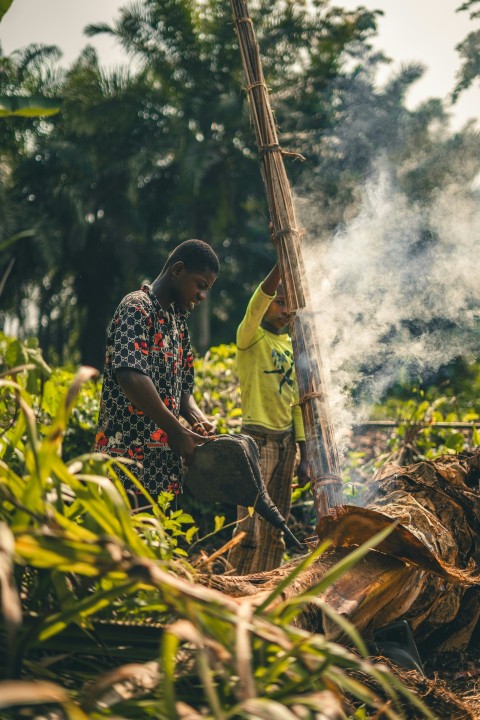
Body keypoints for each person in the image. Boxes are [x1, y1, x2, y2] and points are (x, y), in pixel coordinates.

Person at [94, 239, 219, 501]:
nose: (202, 296)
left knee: (160, 541)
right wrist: (177, 431)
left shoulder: (178, 323)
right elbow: (130, 374)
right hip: (126, 462)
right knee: (123, 540)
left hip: (163, 469)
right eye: (200, 285)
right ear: (178, 270)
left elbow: (184, 390)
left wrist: (198, 421)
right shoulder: (137, 307)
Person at [227, 262, 310, 575]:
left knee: (277, 522)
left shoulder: (291, 344)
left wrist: (302, 451)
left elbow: (296, 402)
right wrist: (283, 261)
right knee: (251, 523)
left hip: (286, 442)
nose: (286, 310)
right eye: (280, 301)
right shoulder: (250, 336)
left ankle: (264, 585)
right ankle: (237, 585)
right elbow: (259, 299)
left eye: (291, 304)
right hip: (256, 440)